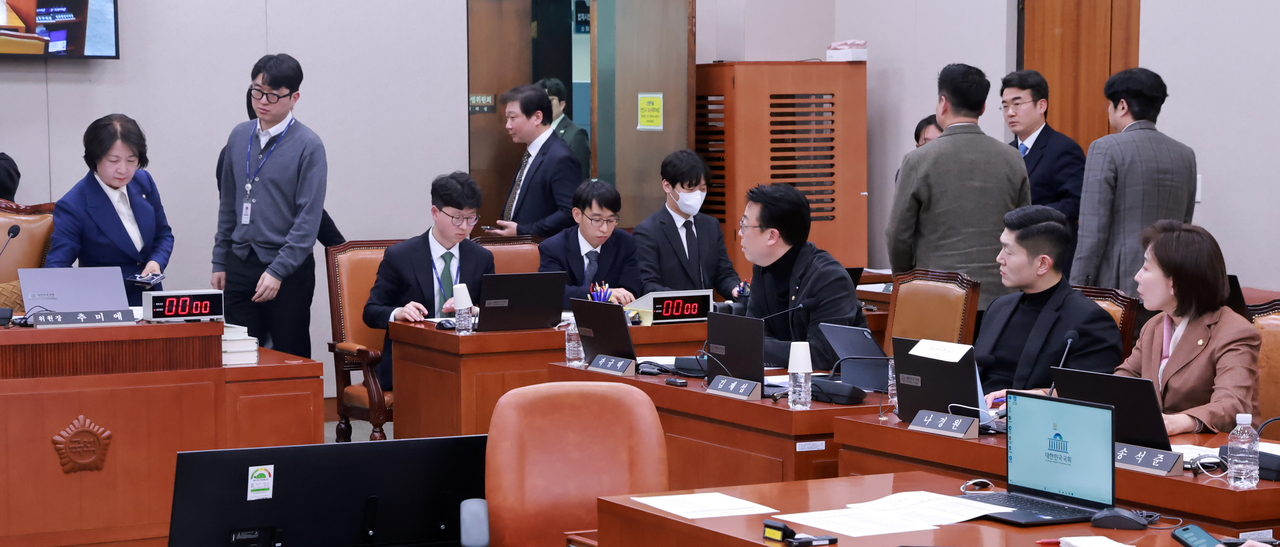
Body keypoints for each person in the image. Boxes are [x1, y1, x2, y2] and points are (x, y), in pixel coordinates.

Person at [887, 63, 1030, 311]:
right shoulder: (1012, 158)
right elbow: (1024, 230)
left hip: (937, 296)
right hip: (1000, 298)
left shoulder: (918, 160)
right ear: (983, 108)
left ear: (943, 103)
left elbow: (897, 235)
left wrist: (908, 280)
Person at [211, 53, 326, 358]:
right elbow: (228, 204)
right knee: (239, 355)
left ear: (294, 98)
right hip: (240, 262)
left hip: (288, 270)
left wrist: (278, 271)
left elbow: (308, 219)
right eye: (257, 91)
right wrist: (220, 260)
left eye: (273, 95)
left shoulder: (308, 145)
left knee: (289, 357)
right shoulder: (239, 136)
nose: (262, 101)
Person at [1114, 220, 1259, 435]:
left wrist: (1182, 422)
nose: (1137, 276)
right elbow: (1124, 381)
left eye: (1146, 268)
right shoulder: (1154, 326)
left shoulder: (1235, 332)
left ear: (1176, 283)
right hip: (1159, 443)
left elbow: (1231, 405)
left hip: (1212, 448)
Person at [1071, 68, 1197, 298]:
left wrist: (1078, 289)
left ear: (1122, 106)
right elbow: (1185, 225)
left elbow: (1092, 233)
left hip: (1117, 286)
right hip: (1171, 284)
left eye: (1109, 105)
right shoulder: (1185, 155)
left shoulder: (1105, 148)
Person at [363, 172, 495, 391]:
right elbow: (371, 311)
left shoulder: (481, 258)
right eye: (457, 218)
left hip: (466, 358)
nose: (464, 226)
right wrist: (399, 312)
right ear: (435, 212)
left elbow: (495, 313)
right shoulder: (401, 256)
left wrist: (472, 310)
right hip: (414, 358)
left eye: (471, 218)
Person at [975, 206, 1122, 395]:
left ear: (1042, 264)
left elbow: (1091, 393)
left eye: (1008, 252)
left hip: (1025, 412)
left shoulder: (1089, 321)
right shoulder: (999, 307)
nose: (999, 258)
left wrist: (1023, 399)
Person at [46, 114, 174, 306]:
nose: (123, 169)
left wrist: (156, 262)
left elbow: (163, 234)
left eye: (131, 160)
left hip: (148, 302)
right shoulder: (73, 205)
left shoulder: (143, 182)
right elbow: (57, 266)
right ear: (95, 158)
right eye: (114, 160)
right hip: (104, 306)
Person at [740, 183, 866, 370]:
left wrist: (755, 347)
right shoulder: (763, 268)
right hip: (786, 380)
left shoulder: (828, 278)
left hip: (839, 382)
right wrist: (754, 345)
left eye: (744, 225)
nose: (740, 233)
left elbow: (822, 354)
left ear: (772, 236)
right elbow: (755, 334)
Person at [216, 89, 344, 247]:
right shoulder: (234, 151)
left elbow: (309, 210)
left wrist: (340, 249)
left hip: (290, 252)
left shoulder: (302, 147)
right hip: (251, 252)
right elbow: (229, 210)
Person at [633, 149, 740, 300]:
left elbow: (724, 273)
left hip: (708, 312)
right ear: (667, 186)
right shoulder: (648, 231)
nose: (697, 195)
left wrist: (735, 289)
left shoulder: (711, 225)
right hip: (673, 311)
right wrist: (687, 302)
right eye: (690, 189)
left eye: (702, 189)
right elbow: (648, 284)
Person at [486, 84, 582, 238]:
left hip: (542, 248)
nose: (507, 125)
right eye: (507, 118)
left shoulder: (560, 157)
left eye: (513, 118)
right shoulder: (533, 152)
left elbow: (570, 213)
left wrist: (523, 230)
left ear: (537, 117)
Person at [1000, 70, 1085, 230]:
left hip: (1047, 239)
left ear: (1041, 106)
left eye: (1017, 104)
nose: (1010, 113)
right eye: (1005, 106)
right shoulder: (1006, 152)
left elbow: (1075, 202)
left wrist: (1027, 218)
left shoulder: (1064, 149)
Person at [538, 179, 640, 309]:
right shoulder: (553, 247)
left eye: (611, 220)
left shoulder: (625, 243)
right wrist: (600, 295)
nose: (604, 229)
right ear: (577, 215)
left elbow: (631, 291)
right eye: (596, 220)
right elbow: (551, 293)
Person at [538, 77, 591, 181]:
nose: (544, 105)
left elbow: (581, 178)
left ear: (562, 104)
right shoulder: (536, 132)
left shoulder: (576, 135)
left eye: (549, 101)